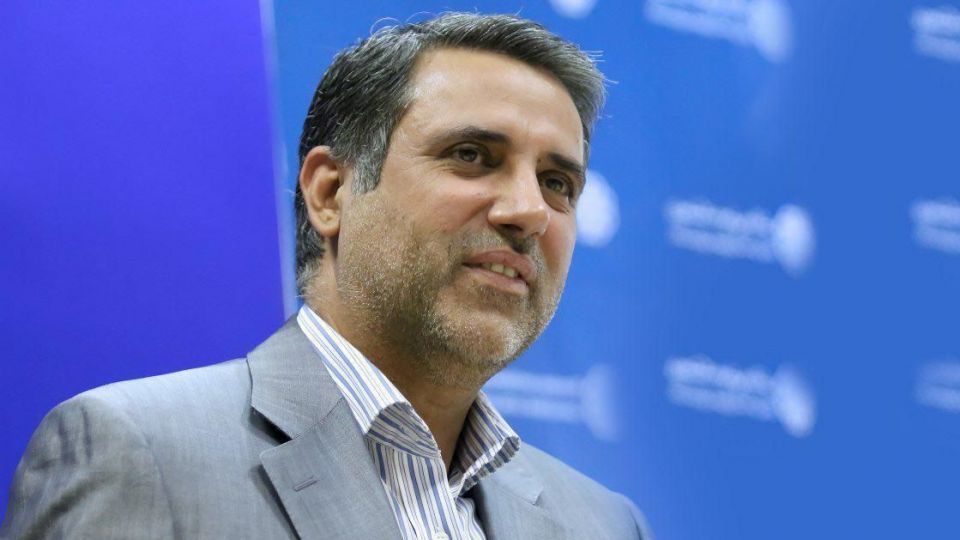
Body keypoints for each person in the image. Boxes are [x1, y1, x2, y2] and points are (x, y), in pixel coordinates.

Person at [1, 13, 650, 540]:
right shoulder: (140, 453)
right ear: (330, 192)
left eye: (557, 183)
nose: (529, 211)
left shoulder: (605, 524)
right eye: (471, 155)